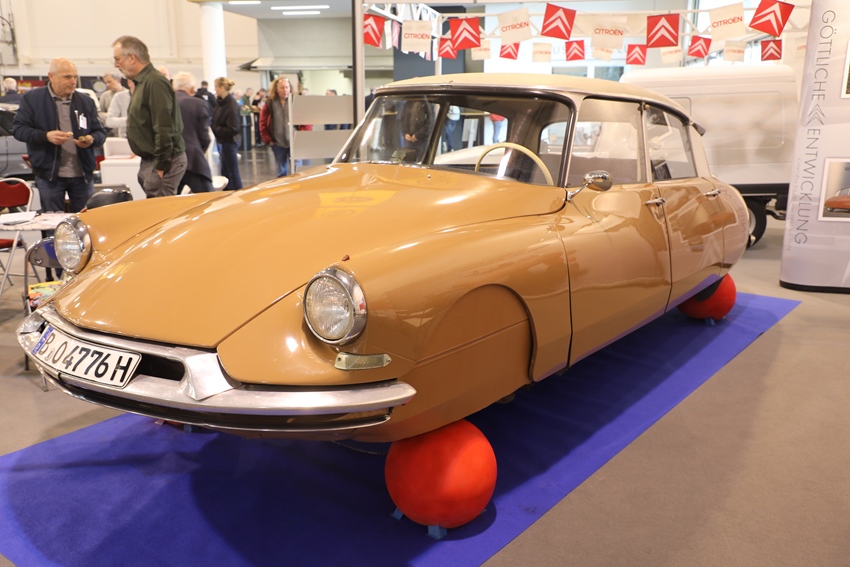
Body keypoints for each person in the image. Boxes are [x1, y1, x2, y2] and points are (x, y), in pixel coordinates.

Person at [12, 58, 106, 212]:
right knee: (52, 222)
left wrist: (92, 139)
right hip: (49, 176)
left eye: (75, 76)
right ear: (51, 76)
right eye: (67, 77)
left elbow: (101, 132)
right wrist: (46, 136)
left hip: (82, 176)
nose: (73, 81)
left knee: (85, 221)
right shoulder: (32, 100)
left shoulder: (86, 102)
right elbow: (19, 130)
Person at [112, 35, 187, 198]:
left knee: (161, 210)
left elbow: (164, 126)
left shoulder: (154, 82)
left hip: (162, 161)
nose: (116, 64)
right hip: (152, 160)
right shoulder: (143, 82)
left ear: (132, 58)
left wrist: (160, 164)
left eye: (117, 59)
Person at [173, 72, 213, 194]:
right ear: (192, 88)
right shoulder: (198, 104)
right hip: (194, 160)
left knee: (169, 202)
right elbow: (204, 137)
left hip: (171, 161)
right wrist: (200, 149)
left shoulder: (163, 104)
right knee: (209, 199)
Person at [211, 77, 242, 191]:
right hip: (224, 141)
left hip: (230, 141)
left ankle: (238, 192)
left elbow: (234, 127)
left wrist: (217, 130)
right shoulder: (220, 102)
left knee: (232, 172)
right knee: (225, 171)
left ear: (222, 88)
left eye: (216, 87)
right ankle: (228, 192)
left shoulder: (231, 104)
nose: (215, 89)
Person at [260, 76, 295, 177]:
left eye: (287, 87)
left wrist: (303, 135)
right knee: (281, 172)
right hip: (277, 143)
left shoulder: (295, 101)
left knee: (297, 171)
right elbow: (262, 122)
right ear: (276, 89)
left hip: (294, 143)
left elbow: (306, 120)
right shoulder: (270, 103)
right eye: (282, 87)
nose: (285, 90)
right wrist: (268, 139)